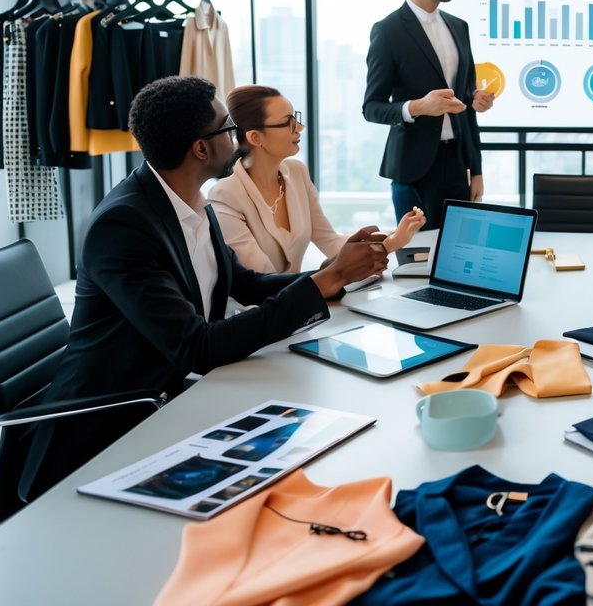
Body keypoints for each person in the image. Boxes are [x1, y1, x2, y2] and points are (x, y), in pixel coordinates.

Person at [21, 75, 391, 499]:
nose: (236, 136)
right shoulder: (122, 226)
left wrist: (333, 280)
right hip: (111, 424)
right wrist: (328, 278)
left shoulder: (192, 200)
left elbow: (245, 282)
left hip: (172, 395)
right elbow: (196, 346)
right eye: (227, 128)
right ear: (201, 148)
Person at [209, 84, 425, 273]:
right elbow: (261, 278)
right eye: (288, 122)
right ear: (255, 137)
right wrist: (330, 277)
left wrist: (393, 241)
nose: (300, 128)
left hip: (297, 306)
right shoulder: (226, 195)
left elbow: (330, 242)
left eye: (296, 118)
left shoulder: (296, 173)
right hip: (255, 313)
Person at [363, 0, 495, 229]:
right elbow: (372, 107)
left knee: (458, 255)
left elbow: (466, 99)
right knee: (416, 262)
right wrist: (418, 107)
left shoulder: (459, 27)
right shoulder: (388, 31)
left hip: (457, 165)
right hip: (413, 172)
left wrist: (476, 169)